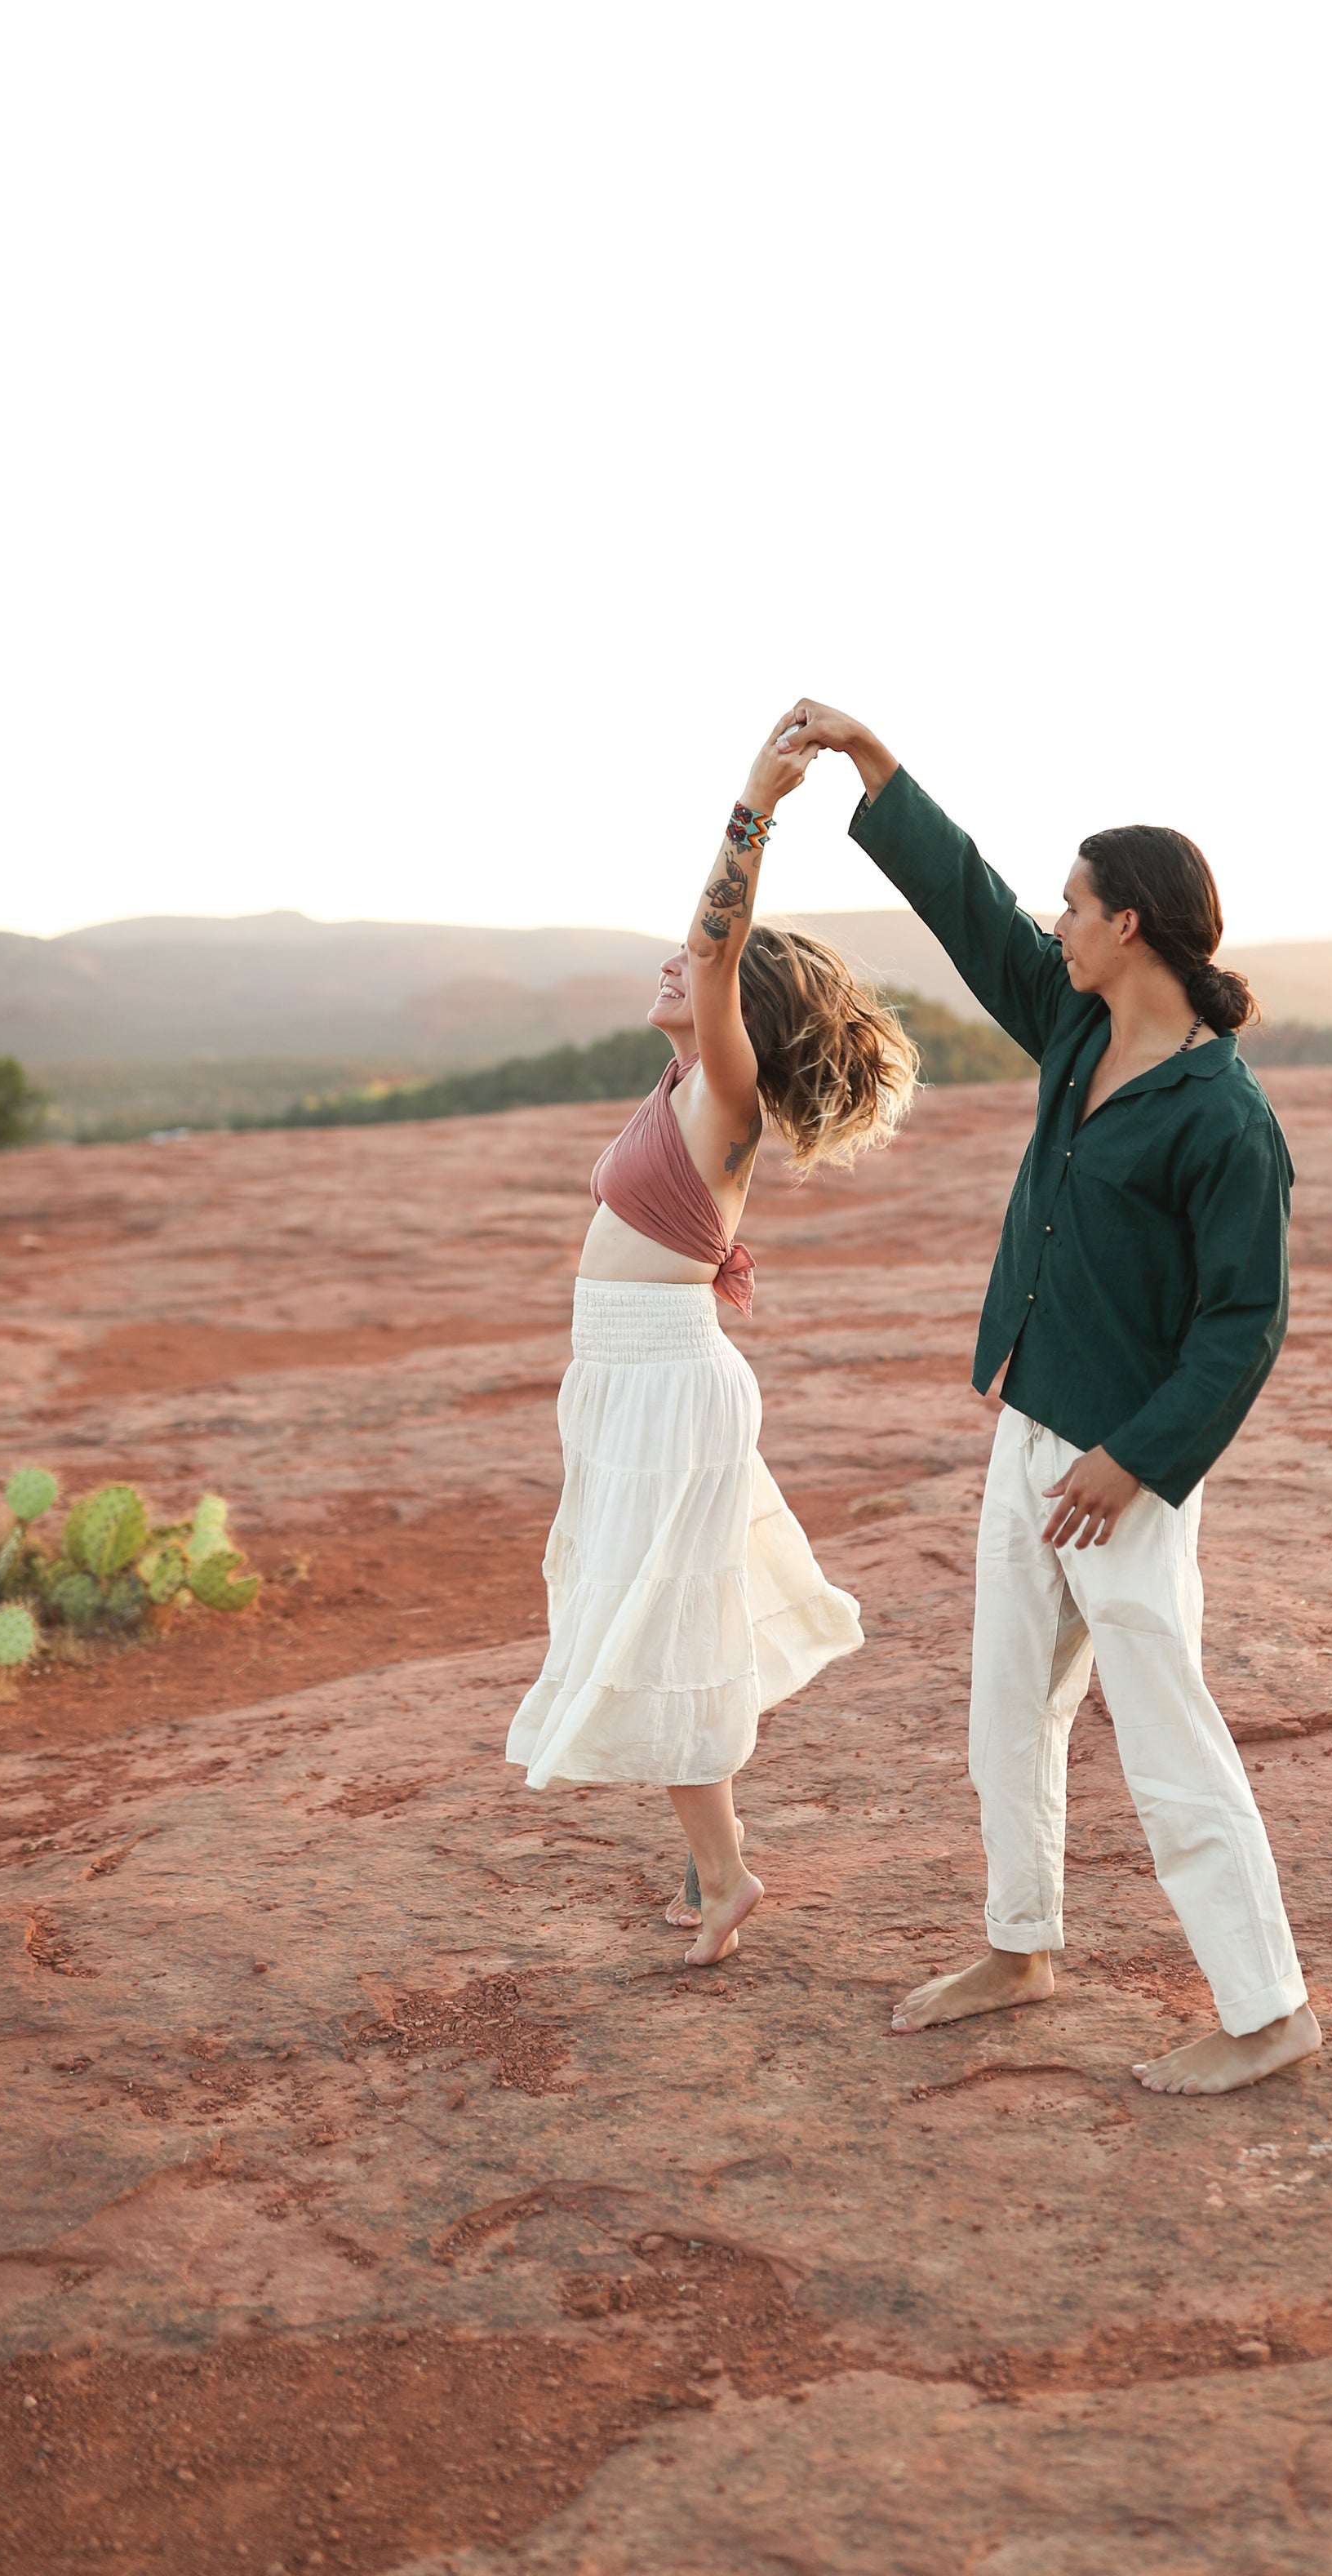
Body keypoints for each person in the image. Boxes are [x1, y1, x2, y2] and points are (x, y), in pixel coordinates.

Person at [775, 700, 1318, 2094]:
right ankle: (1022, 1947)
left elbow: (1244, 1326)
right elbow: (974, 913)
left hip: (1119, 1477)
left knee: (1165, 1729)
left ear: (1130, 923)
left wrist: (1133, 1462)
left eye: (1075, 902)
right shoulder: (1078, 1037)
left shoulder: (1224, 1118)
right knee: (1006, 1714)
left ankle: (1267, 2011)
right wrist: (873, 766)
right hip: (1029, 1431)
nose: (1056, 921)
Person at [504, 713, 918, 1967]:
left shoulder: (724, 1093)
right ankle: (706, 1866)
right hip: (628, 1380)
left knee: (659, 1623)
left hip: (666, 1382)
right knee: (642, 1609)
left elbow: (713, 938)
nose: (678, 968)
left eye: (705, 972)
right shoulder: (680, 1090)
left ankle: (727, 1875)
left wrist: (757, 798)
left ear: (745, 1007)